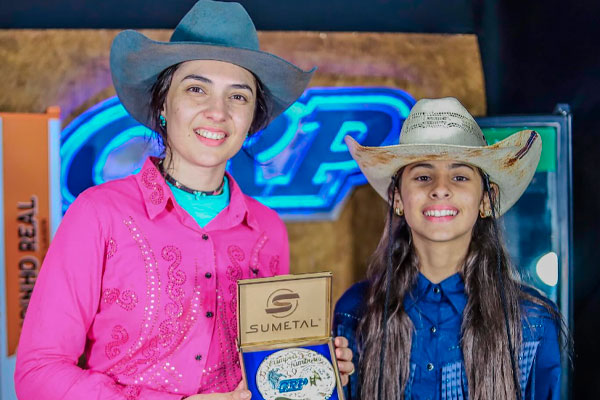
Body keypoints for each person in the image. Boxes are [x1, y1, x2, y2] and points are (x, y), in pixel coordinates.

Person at [14, 1, 352, 399]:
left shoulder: (267, 231)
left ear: (252, 120)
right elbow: (38, 375)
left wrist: (313, 369)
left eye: (238, 97)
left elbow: (263, 377)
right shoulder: (99, 214)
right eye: (196, 89)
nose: (217, 112)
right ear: (162, 104)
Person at [334, 97, 565, 400]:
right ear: (398, 197)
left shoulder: (533, 321)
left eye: (459, 176)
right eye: (422, 176)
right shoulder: (355, 311)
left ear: (486, 199)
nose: (440, 188)